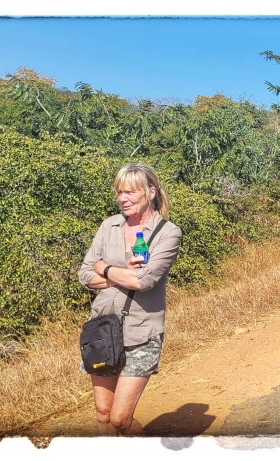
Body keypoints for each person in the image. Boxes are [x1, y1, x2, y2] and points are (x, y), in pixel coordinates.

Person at [77, 163, 182, 436]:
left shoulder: (168, 233)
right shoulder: (108, 225)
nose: (123, 199)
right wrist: (118, 274)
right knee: (103, 415)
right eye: (120, 192)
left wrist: (106, 268)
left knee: (120, 419)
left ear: (150, 192)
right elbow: (85, 274)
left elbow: (144, 281)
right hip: (102, 330)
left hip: (142, 331)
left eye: (130, 193)